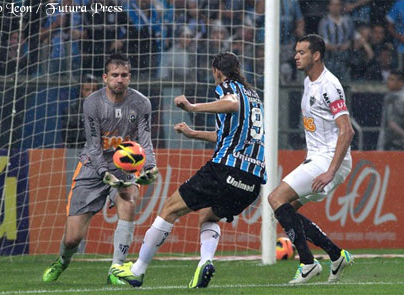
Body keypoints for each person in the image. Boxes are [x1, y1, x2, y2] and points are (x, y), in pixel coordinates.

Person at [109, 52, 266, 288]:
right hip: (251, 181)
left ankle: (137, 270)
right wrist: (193, 134)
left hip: (225, 169)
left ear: (216, 70)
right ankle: (206, 261)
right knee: (208, 215)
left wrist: (192, 107)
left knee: (170, 209)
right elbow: (228, 135)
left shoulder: (227, 87)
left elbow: (231, 103)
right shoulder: (254, 97)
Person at [42, 53, 159, 285]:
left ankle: (116, 268)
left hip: (123, 167)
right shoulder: (92, 103)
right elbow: (93, 146)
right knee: (73, 239)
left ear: (130, 78)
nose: (119, 80)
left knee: (129, 201)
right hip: (91, 167)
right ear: (105, 78)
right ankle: (63, 261)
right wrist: (104, 174)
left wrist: (150, 167)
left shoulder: (141, 103)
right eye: (114, 75)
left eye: (124, 75)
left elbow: (145, 141)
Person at [268, 34, 355, 284]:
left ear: (316, 55)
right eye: (296, 51)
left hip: (328, 160)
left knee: (275, 198)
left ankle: (308, 263)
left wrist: (329, 172)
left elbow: (347, 130)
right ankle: (336, 255)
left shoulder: (330, 85)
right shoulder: (309, 82)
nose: (296, 56)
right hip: (317, 158)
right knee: (287, 210)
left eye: (302, 52)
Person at [61, 74, 99, 148]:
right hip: (76, 150)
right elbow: (67, 136)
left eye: (94, 90)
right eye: (87, 90)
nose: (91, 93)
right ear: (81, 91)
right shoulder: (71, 110)